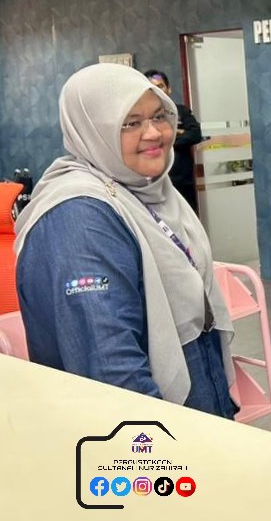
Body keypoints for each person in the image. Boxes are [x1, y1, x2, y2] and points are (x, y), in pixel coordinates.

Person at [15, 63, 236, 418]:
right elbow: (111, 369)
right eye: (130, 123)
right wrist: (157, 445)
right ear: (92, 129)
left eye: (159, 116)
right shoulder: (80, 217)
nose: (154, 133)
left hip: (195, 402)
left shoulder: (151, 192)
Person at [144, 69, 202, 213]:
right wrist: (178, 133)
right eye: (152, 88)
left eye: (160, 86)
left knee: (189, 220)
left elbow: (195, 134)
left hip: (183, 180)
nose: (158, 91)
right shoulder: (141, 117)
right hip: (153, 182)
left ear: (168, 89)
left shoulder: (181, 111)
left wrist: (165, 139)